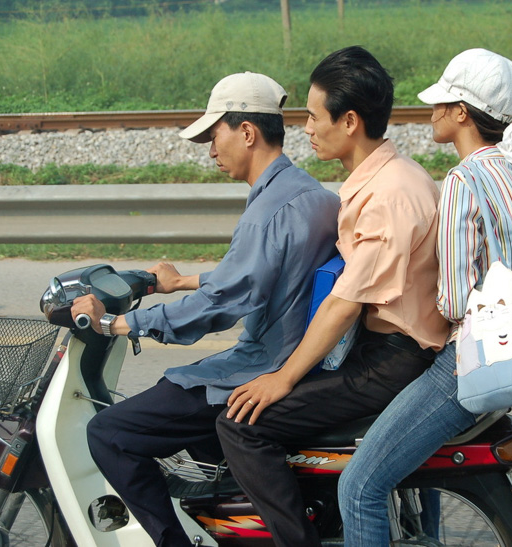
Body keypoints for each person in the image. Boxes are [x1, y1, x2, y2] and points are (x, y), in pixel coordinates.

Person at [337, 48, 512, 545]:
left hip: (466, 365)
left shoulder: (463, 179)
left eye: (442, 102)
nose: (431, 111)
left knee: (359, 486)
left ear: (462, 113)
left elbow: (456, 303)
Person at [70, 71, 340, 547]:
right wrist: (180, 281)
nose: (211, 150)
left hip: (261, 364)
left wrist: (121, 323)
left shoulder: (267, 213)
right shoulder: (311, 194)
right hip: (302, 357)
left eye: (214, 135)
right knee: (179, 402)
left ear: (247, 133)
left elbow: (226, 302)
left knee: (111, 432)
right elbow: (261, 276)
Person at [215, 46, 450, 547]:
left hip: (391, 360)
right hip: (388, 351)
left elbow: (345, 302)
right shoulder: (390, 177)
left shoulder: (388, 194)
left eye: (313, 115)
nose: (304, 127)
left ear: (348, 121)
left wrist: (283, 377)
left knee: (242, 425)